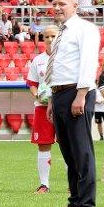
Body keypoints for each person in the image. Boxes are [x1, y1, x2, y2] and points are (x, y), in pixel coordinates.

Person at [47, 0, 100, 207]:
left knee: (82, 151)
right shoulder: (61, 32)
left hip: (76, 93)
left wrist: (81, 95)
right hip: (59, 93)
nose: (57, 7)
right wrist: (51, 99)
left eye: (62, 4)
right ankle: (74, 201)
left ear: (75, 5)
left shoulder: (85, 29)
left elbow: (88, 63)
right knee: (69, 153)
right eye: (54, 4)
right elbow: (59, 68)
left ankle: (86, 206)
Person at [26, 26, 60, 193]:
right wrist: (37, 96)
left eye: (53, 36)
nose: (49, 39)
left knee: (68, 145)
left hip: (63, 107)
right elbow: (32, 84)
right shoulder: (37, 60)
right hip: (42, 108)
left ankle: (72, 184)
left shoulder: (66, 59)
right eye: (46, 36)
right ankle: (44, 184)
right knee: (43, 145)